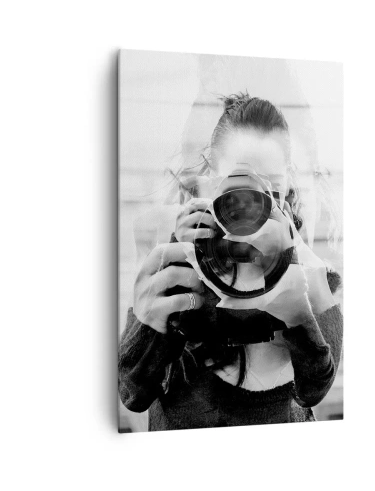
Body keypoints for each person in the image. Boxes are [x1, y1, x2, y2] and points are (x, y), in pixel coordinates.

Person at [118, 92, 343, 430]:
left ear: (287, 184)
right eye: (239, 184)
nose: (252, 204)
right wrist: (181, 265)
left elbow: (314, 390)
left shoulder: (311, 273)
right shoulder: (177, 255)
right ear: (212, 180)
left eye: (270, 187)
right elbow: (133, 394)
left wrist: (298, 304)